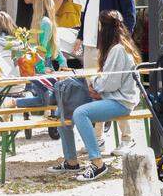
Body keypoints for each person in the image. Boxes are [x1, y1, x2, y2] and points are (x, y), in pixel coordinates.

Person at [50, 11, 140, 181]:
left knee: (80, 113)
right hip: (111, 96)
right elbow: (107, 81)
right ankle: (71, 161)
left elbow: (110, 83)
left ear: (103, 30)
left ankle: (98, 163)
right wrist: (94, 84)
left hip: (120, 101)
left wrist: (93, 83)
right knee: (63, 109)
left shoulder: (118, 50)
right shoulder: (116, 48)